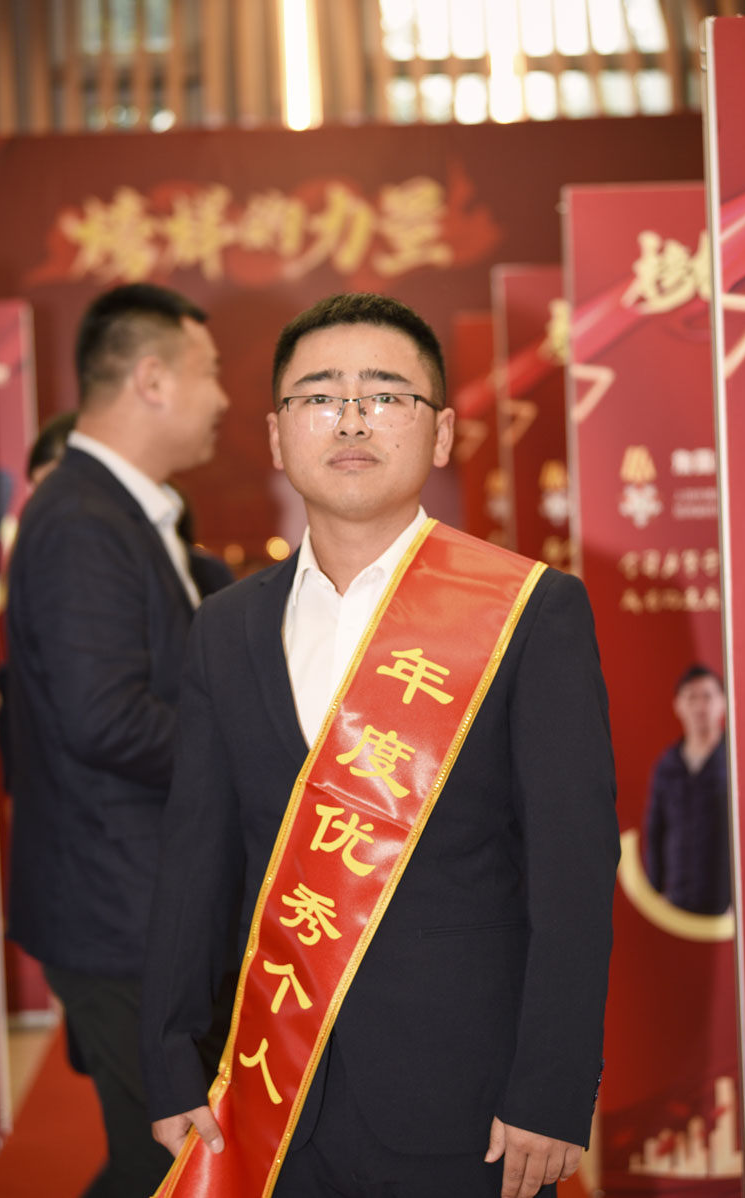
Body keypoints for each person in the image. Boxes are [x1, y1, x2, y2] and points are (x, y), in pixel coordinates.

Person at [141, 292, 619, 1198]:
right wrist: (170, 1057)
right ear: (278, 435)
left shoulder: (529, 611)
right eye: (320, 395)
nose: (352, 418)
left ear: (441, 434)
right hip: (271, 1092)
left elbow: (575, 871)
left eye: (387, 395)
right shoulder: (226, 628)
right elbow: (196, 859)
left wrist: (552, 1089)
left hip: (467, 1102)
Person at [6, 282, 230, 1198]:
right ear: (151, 378)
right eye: (210, 372)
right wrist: (248, 758)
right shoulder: (82, 521)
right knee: (169, 1166)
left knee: (162, 1160)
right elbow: (105, 717)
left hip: (136, 898)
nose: (223, 397)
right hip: (119, 909)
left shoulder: (125, 511)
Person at [644, 664, 731, 915]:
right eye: (692, 697)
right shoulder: (667, 765)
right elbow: (655, 830)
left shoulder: (734, 761)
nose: (700, 706)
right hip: (679, 900)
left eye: (707, 696)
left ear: (723, 702)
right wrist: (655, 891)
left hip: (726, 904)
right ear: (678, 705)